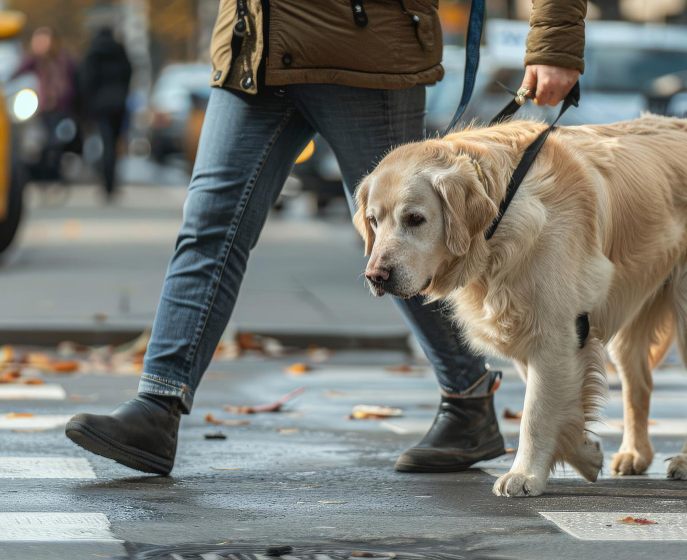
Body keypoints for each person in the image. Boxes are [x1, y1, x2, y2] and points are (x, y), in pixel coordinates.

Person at [66, 0, 588, 476]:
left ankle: (469, 399)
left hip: (364, 49)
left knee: (417, 238)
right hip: (255, 47)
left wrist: (555, 41)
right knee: (208, 226)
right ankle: (158, 406)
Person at [13, 27, 79, 181]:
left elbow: (73, 80)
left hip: (62, 106)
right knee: (46, 140)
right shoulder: (36, 59)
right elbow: (20, 71)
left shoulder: (63, 59)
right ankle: (48, 173)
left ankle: (54, 172)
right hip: (45, 106)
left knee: (56, 141)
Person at [80, 26, 133, 200]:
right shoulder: (120, 51)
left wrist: (90, 104)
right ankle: (112, 183)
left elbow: (86, 80)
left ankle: (107, 184)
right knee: (114, 144)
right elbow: (128, 73)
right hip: (118, 103)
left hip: (101, 105)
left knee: (106, 143)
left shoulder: (93, 52)